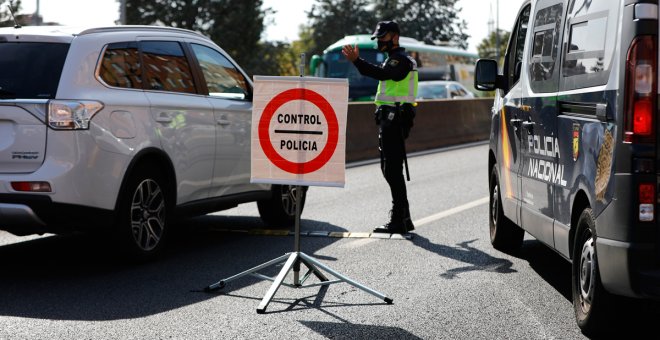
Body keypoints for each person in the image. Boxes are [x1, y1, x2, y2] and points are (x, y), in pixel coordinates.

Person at [341, 20, 418, 234]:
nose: (379, 42)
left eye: (382, 37)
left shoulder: (400, 60)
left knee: (392, 169)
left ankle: (398, 219)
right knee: (391, 169)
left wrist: (357, 61)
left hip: (395, 117)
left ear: (394, 36)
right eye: (378, 38)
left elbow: (381, 74)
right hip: (391, 117)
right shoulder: (394, 59)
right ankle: (404, 217)